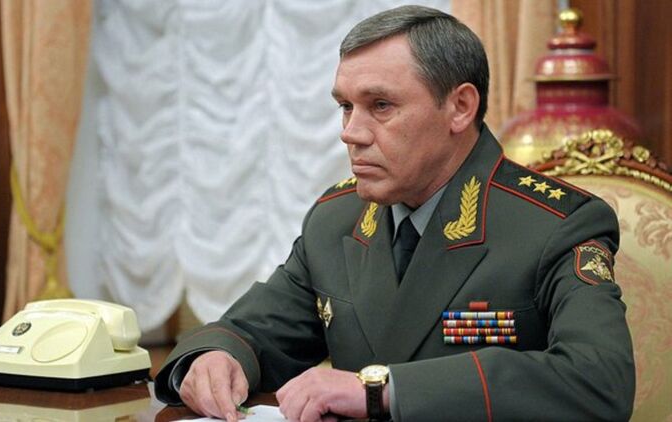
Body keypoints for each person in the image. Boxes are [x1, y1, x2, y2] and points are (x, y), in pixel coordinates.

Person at [155, 5, 635, 421]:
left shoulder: (555, 226)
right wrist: (216, 357)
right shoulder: (336, 218)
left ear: (460, 107)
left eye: (380, 105)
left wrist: (382, 390)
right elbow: (254, 331)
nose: (350, 132)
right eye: (346, 106)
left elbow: (600, 380)